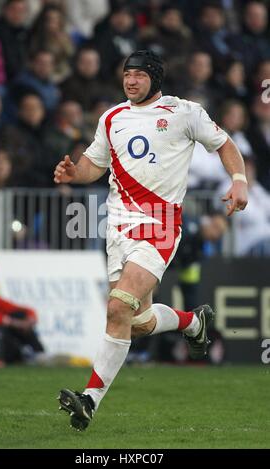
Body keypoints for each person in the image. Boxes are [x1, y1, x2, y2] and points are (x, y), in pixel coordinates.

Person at [53, 50, 248, 431]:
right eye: (127, 74)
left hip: (159, 224)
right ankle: (194, 323)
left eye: (139, 75)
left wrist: (238, 181)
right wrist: (75, 173)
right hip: (117, 226)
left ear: (155, 79)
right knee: (136, 320)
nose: (131, 81)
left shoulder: (184, 112)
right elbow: (96, 164)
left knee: (116, 306)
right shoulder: (111, 118)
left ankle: (90, 398)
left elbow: (225, 144)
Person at [0, 259, 44, 363]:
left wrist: (31, 318)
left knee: (20, 315)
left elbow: (21, 309)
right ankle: (25, 354)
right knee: (4, 330)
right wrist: (12, 322)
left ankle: (39, 353)